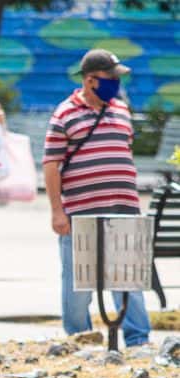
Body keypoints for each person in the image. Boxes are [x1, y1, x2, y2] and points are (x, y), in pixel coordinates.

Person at [43, 49, 150, 347]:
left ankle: (138, 340)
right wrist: (57, 211)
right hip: (80, 211)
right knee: (78, 283)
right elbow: (51, 164)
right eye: (111, 77)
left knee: (128, 279)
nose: (116, 83)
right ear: (90, 80)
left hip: (124, 208)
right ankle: (80, 340)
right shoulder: (65, 113)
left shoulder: (120, 109)